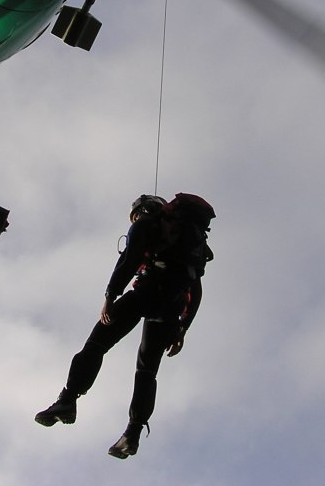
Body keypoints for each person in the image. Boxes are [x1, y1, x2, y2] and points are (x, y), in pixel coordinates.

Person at [35, 192, 215, 459]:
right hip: (171, 308)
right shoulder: (196, 242)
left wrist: (110, 296)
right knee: (146, 371)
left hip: (144, 293)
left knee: (96, 344)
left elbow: (129, 261)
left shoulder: (145, 225)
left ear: (141, 211)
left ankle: (67, 400)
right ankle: (132, 434)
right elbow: (196, 290)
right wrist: (183, 328)